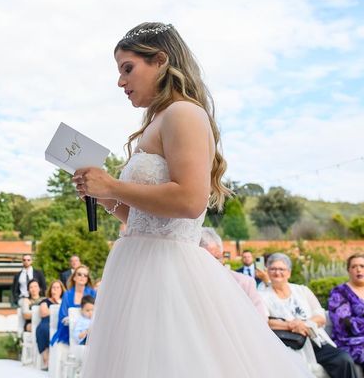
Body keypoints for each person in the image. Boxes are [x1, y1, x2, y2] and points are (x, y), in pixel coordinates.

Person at [72, 22, 310, 377]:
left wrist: (114, 186)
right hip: (136, 264)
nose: (121, 81)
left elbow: (189, 200)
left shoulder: (184, 113)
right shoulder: (155, 123)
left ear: (161, 61)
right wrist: (105, 196)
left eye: (127, 68)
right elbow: (143, 218)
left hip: (168, 271)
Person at [260, 252, 357, 378]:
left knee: (344, 360)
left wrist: (304, 324)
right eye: (273, 269)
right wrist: (290, 325)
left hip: (314, 341)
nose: (277, 272)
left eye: (281, 269)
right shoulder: (262, 295)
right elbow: (265, 321)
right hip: (286, 345)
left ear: (289, 272)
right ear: (267, 271)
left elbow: (320, 316)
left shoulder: (302, 290)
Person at [199, 228, 268, 318]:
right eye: (204, 259)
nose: (211, 264)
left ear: (222, 255)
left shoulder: (245, 283)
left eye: (216, 258)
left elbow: (261, 319)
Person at [328, 253, 364, 365]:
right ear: (348, 270)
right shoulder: (339, 292)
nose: (358, 269)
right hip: (350, 343)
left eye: (362, 266)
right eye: (354, 267)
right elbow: (344, 324)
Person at [50, 265, 96, 347]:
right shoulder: (67, 294)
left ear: (87, 279)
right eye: (79, 274)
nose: (82, 277)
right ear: (74, 277)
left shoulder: (93, 293)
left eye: (85, 275)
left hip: (89, 327)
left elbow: (97, 312)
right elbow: (63, 316)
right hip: (69, 328)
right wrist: (74, 321)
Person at [36, 279, 65, 369]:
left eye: (58, 288)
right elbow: (43, 313)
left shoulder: (65, 301)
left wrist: (58, 304)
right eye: (53, 288)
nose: (55, 290)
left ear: (61, 290)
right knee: (43, 329)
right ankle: (46, 360)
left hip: (61, 323)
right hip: (46, 322)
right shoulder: (45, 301)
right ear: (50, 290)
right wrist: (57, 306)